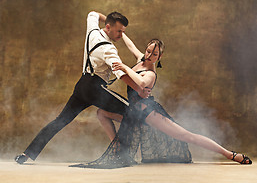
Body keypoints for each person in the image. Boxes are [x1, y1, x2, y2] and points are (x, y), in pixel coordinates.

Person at [70, 34, 252, 168]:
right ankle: (118, 146)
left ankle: (230, 154)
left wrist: (125, 66)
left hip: (148, 114)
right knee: (101, 113)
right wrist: (120, 31)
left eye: (154, 54)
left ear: (159, 57)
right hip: (133, 113)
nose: (149, 56)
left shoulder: (150, 74)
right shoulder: (142, 59)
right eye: (148, 51)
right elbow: (132, 46)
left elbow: (140, 84)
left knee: (186, 135)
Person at [14, 11, 150, 164]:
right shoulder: (108, 49)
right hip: (95, 89)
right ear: (108, 27)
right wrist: (139, 89)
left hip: (82, 86)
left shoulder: (92, 32)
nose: (121, 35)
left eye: (123, 31)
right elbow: (121, 74)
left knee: (60, 121)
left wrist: (110, 20)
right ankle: (121, 155)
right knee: (130, 111)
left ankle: (26, 154)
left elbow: (92, 14)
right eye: (119, 31)